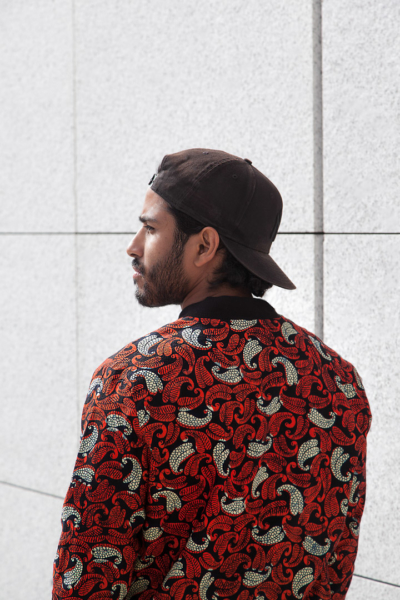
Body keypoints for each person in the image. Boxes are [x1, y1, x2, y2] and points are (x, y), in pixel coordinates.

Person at [53, 149, 371, 600]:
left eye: (151, 229)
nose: (133, 246)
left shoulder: (134, 380)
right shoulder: (337, 380)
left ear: (204, 246)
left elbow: (86, 575)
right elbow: (334, 557)